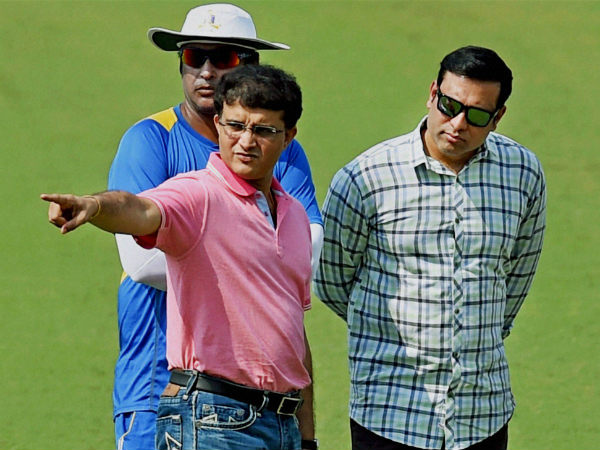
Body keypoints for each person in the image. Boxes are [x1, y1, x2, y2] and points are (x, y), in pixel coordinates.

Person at [43, 64, 318, 450]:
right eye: (235, 126)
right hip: (213, 419)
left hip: (282, 423)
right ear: (218, 124)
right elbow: (141, 209)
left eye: (263, 130)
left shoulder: (295, 217)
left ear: (288, 136)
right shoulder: (198, 194)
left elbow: (293, 336)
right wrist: (95, 205)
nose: (246, 141)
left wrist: (307, 437)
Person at [107, 4, 323, 449]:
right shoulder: (150, 139)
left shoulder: (282, 148)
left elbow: (308, 247)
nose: (205, 72)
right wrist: (250, 261)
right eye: (193, 56)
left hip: (267, 403)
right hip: (159, 384)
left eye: (221, 58)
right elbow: (142, 262)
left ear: (250, 65)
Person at [313, 46, 546, 450]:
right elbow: (332, 280)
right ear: (433, 93)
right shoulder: (365, 177)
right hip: (389, 413)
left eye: (477, 115)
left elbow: (517, 275)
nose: (457, 124)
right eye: (449, 105)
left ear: (498, 117)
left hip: (482, 415)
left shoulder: (523, 173)